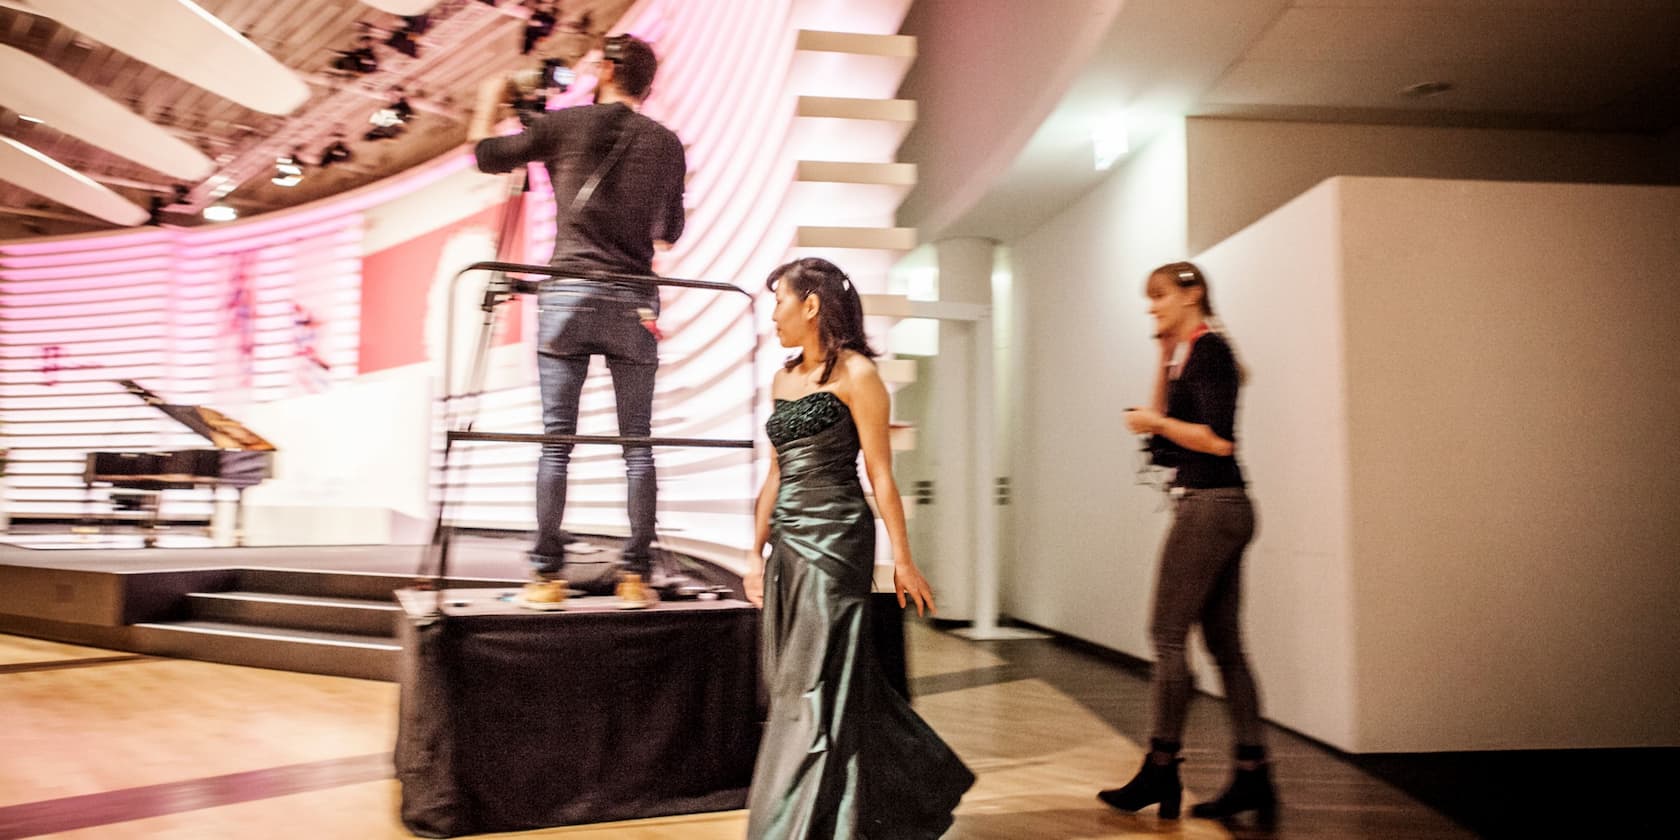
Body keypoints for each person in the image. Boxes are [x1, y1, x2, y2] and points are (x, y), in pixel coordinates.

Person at [743, 257, 974, 839]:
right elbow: (774, 476)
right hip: (789, 546)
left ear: (811, 305)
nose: (774, 314)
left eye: (780, 301)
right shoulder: (782, 380)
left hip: (838, 539)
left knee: (816, 682)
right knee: (812, 684)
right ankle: (908, 789)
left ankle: (799, 827)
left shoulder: (858, 375)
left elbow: (881, 474)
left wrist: (902, 557)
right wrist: (754, 551)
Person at [469, 34, 686, 581]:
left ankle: (546, 575)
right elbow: (671, 233)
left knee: (555, 443)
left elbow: (486, 155)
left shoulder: (567, 125)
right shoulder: (666, 144)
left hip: (566, 293)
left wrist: (489, 97)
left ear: (610, 70)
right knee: (638, 446)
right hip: (634, 300)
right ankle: (637, 575)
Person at [1102, 261, 1276, 825]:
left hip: (1211, 507)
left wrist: (1155, 421)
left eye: (1158, 297)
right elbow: (1164, 444)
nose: (1151, 307)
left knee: (1166, 634)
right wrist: (1160, 359)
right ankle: (1253, 775)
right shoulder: (1188, 352)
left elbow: (1218, 442)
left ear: (1191, 292)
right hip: (1221, 507)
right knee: (1224, 644)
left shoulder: (1213, 351)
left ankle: (1161, 766)